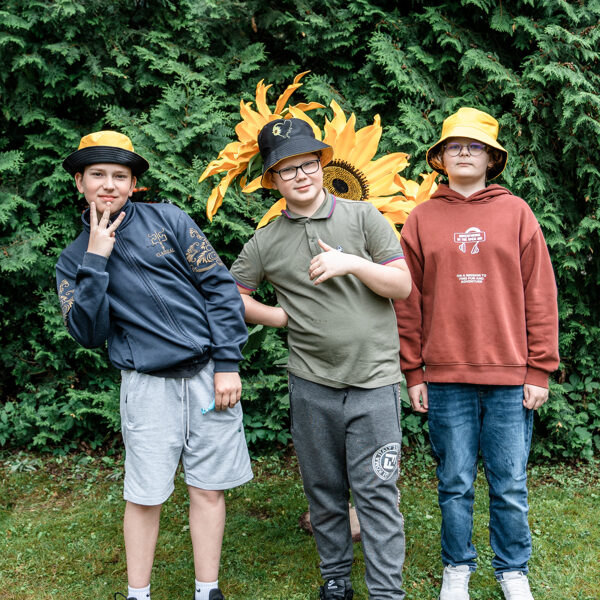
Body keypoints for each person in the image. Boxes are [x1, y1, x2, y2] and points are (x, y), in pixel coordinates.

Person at [56, 131, 252, 600]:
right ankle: (137, 594)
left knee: (208, 488)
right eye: (97, 174)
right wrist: (96, 260)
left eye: (119, 176)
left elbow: (220, 288)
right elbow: (88, 332)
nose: (109, 184)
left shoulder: (169, 220)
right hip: (146, 387)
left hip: (208, 377)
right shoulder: (72, 260)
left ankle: (208, 590)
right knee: (144, 494)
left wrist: (227, 363)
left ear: (133, 184)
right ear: (79, 182)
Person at [230, 118, 412, 600]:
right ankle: (335, 579)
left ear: (322, 165)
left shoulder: (362, 217)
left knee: (377, 491)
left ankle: (386, 591)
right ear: (272, 180)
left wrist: (351, 262)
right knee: (324, 489)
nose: (301, 176)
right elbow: (229, 296)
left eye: (308, 164)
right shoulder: (266, 241)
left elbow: (402, 285)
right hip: (312, 385)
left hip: (373, 382)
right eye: (286, 170)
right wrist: (277, 316)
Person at [394, 107, 559, 600]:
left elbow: (540, 293)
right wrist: (413, 371)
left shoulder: (517, 213)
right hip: (445, 378)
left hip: (510, 377)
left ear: (492, 159)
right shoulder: (422, 219)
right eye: (454, 146)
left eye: (474, 146)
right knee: (454, 482)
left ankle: (513, 570)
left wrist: (539, 369)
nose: (463, 153)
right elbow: (408, 301)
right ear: (440, 158)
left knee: (509, 483)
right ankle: (457, 568)